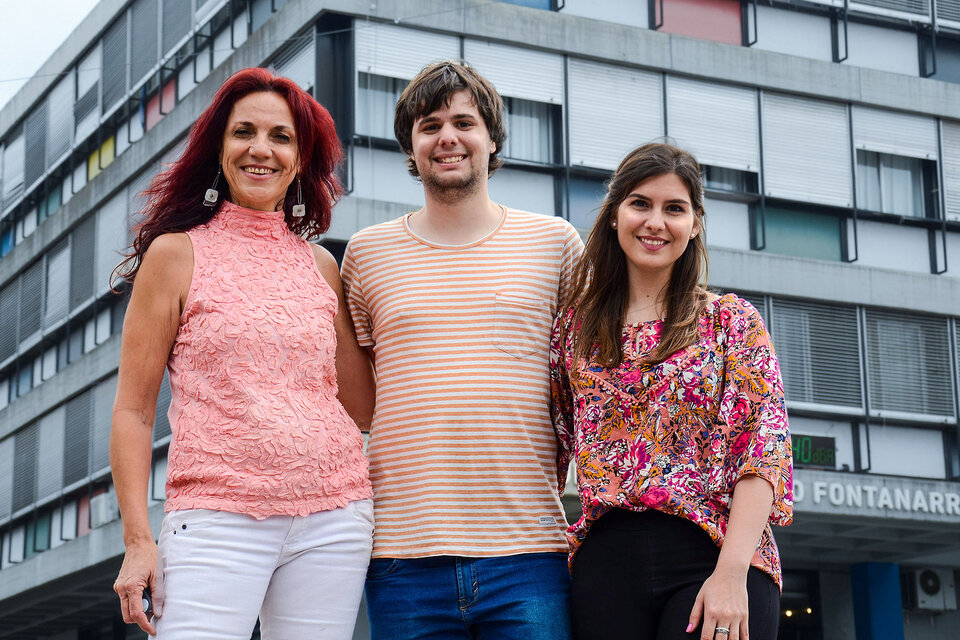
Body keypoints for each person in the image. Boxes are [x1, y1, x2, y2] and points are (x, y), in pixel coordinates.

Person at [109, 67, 374, 640]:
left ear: (301, 160)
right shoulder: (175, 255)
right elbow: (132, 410)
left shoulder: (322, 266)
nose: (262, 149)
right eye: (244, 132)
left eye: (281, 137)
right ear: (219, 149)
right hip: (215, 519)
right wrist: (137, 542)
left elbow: (362, 406)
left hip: (334, 519)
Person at [340, 60, 584, 640]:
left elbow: (586, 388)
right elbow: (357, 404)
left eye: (463, 122)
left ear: (491, 137)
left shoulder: (556, 243)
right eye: (429, 125)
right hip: (402, 556)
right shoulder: (366, 255)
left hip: (529, 552)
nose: (447, 137)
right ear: (412, 145)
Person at [550, 143, 793, 640]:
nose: (655, 222)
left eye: (674, 208)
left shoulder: (731, 322)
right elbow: (548, 442)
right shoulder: (574, 329)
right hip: (606, 562)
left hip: (713, 553)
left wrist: (730, 575)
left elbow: (762, 451)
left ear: (695, 223)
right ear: (615, 215)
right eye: (640, 203)